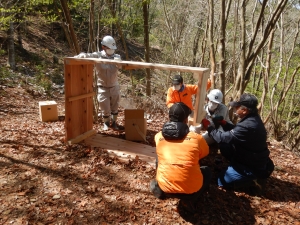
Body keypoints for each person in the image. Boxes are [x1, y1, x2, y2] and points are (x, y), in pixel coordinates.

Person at [206, 93, 274, 194]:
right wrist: (224, 123)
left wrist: (209, 127)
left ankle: (253, 181)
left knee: (221, 181)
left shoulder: (248, 125)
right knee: (225, 147)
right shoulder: (252, 118)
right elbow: (237, 133)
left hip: (251, 165)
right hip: (249, 156)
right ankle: (237, 167)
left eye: (237, 107)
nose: (235, 110)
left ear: (244, 110)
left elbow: (223, 138)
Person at [150, 102, 212, 211]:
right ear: (186, 120)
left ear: (169, 117)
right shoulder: (197, 138)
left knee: (159, 158)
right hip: (191, 190)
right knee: (207, 171)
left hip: (166, 188)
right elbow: (204, 153)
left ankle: (160, 189)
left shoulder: (158, 136)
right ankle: (191, 199)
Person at [74, 35, 123, 131]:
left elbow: (121, 66)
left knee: (115, 106)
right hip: (102, 86)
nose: (111, 50)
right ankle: (106, 124)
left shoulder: (117, 57)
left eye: (112, 48)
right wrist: (83, 55)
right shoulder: (98, 56)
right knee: (104, 106)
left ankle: (114, 123)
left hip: (114, 86)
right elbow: (89, 55)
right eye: (109, 48)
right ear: (103, 47)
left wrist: (119, 62)